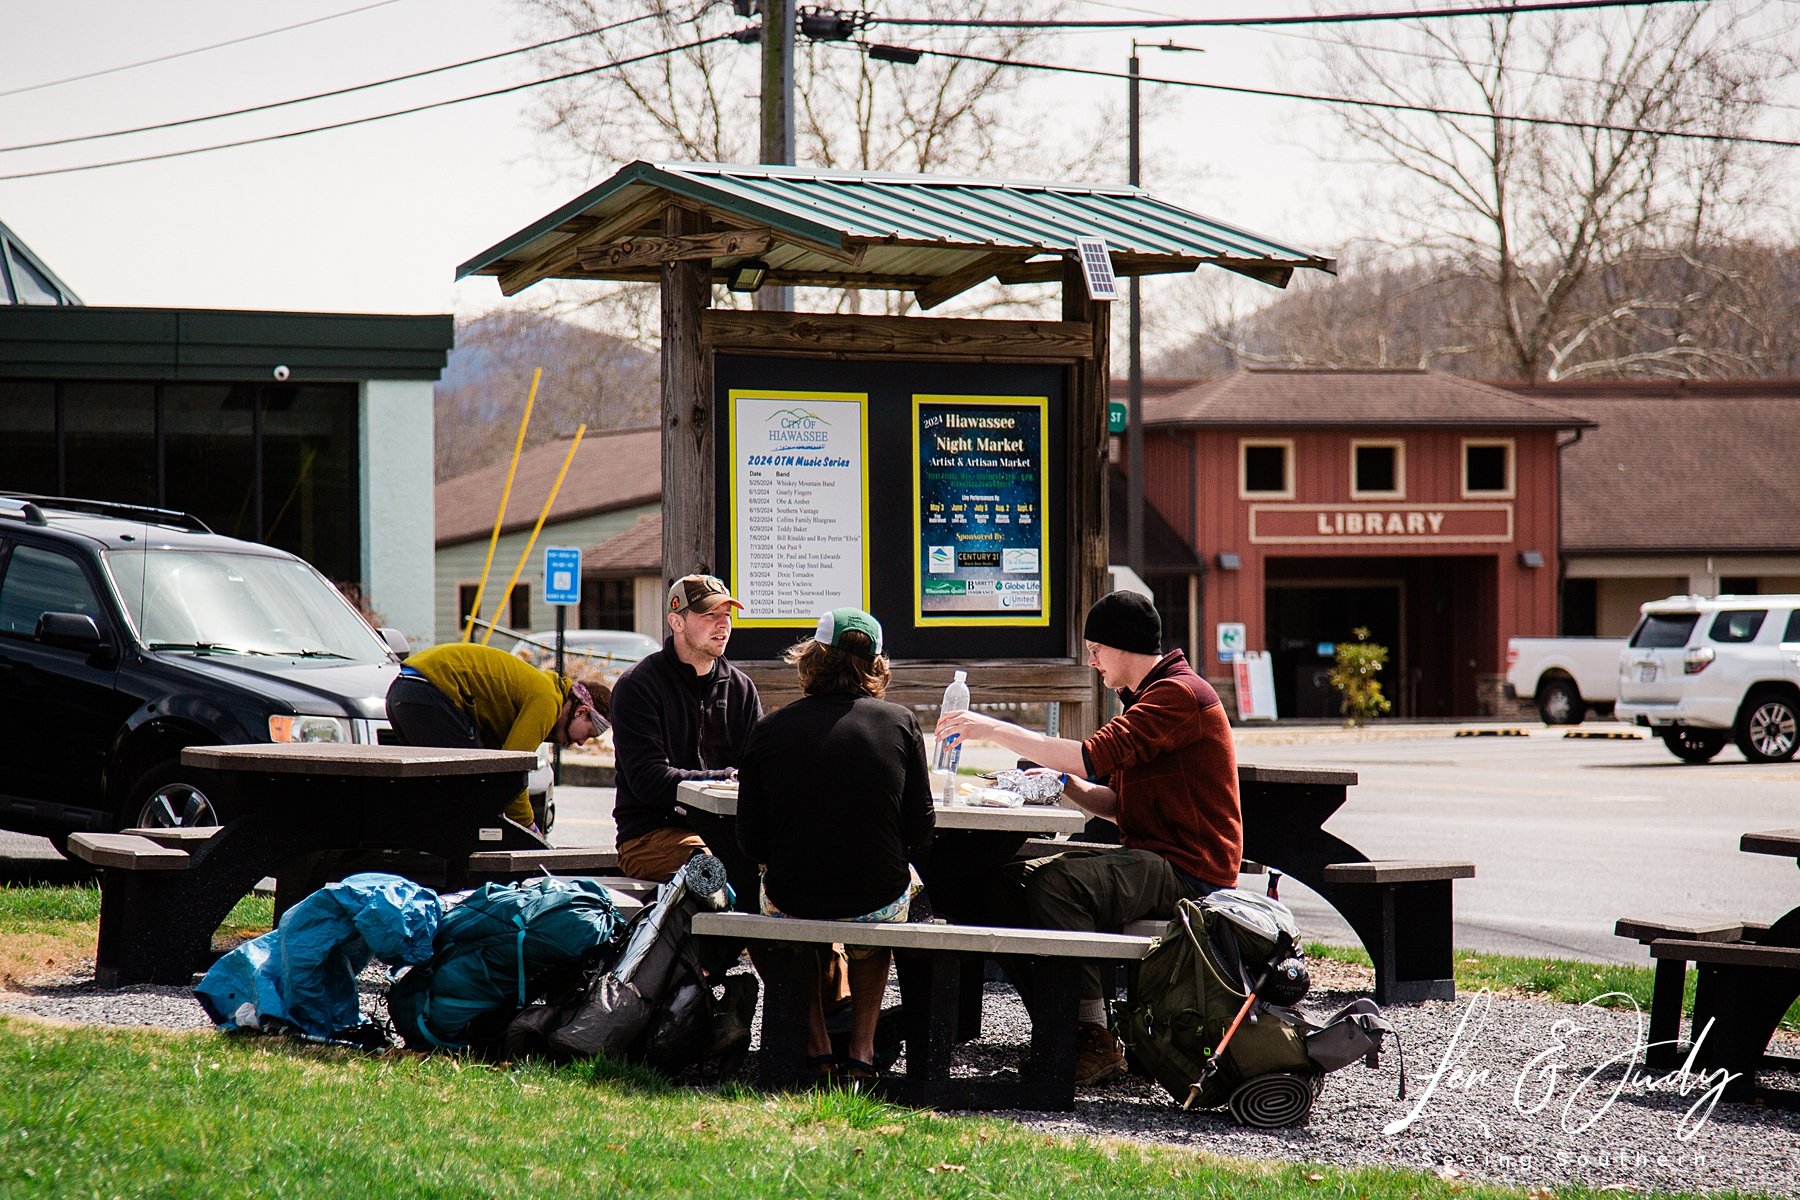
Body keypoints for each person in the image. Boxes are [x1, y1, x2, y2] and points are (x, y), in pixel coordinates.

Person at [933, 589, 1242, 1084]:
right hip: (1152, 860)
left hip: (1190, 872)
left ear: (1122, 646)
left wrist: (990, 728)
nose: (1092, 661)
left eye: (1096, 649)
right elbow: (1115, 804)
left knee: (1058, 885)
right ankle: (1067, 1027)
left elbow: (1088, 756)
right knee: (1003, 885)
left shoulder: (1179, 695)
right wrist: (1063, 783)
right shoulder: (1147, 698)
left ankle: (1093, 1036)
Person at [736, 608, 934, 1085]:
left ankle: (819, 1046)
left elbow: (750, 839)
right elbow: (921, 829)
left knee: (774, 913)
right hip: (876, 895)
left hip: (792, 895)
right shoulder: (901, 723)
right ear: (877, 665)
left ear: (811, 659)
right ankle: (862, 1051)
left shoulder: (770, 728)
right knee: (886, 904)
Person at [610, 574, 762, 889]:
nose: (723, 624)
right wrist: (727, 778)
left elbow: (760, 769)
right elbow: (648, 780)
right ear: (676, 622)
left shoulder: (741, 688)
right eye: (709, 615)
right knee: (719, 867)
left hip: (729, 832)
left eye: (727, 615)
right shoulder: (638, 685)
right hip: (651, 836)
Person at [384, 641, 608, 829]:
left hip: (403, 689)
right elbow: (510, 769)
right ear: (581, 711)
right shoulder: (547, 700)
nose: (581, 742)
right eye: (589, 733)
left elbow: (496, 759)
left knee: (440, 790)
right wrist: (528, 827)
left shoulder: (539, 693)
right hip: (428, 690)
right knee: (473, 788)